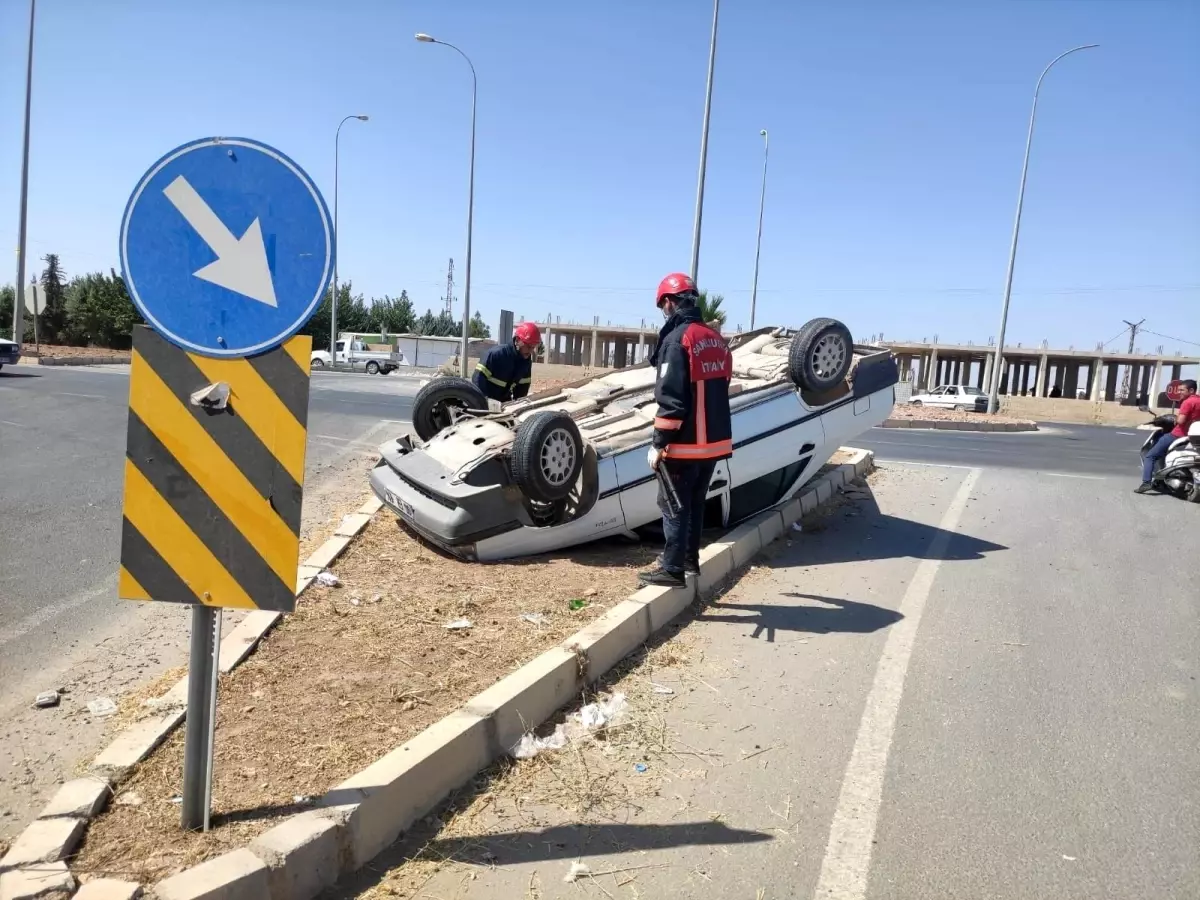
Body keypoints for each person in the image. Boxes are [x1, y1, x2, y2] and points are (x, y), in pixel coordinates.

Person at [639, 273, 733, 588]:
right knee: (694, 503)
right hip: (714, 443)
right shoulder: (716, 340)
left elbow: (671, 399)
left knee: (673, 505)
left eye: (662, 305)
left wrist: (658, 443)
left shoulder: (677, 340)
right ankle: (690, 561)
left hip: (685, 444)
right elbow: (723, 384)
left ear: (668, 302)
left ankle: (672, 569)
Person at [1136, 378, 1199, 493]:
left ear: (1191, 390)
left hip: (1178, 435)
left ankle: (1146, 482)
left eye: (1182, 390)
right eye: (1179, 390)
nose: (1179, 392)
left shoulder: (1188, 402)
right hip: (1193, 436)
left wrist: (1175, 420)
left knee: (1150, 456)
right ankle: (1161, 480)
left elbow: (1180, 421)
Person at [473, 321, 541, 405]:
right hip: (485, 403)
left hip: (503, 404)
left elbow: (523, 388)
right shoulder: (496, 355)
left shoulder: (525, 362)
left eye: (533, 347)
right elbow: (477, 379)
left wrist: (517, 406)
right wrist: (484, 402)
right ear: (517, 340)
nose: (530, 351)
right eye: (528, 346)